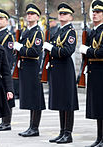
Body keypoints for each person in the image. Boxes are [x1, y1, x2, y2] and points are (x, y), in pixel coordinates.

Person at [42, 2, 78, 144]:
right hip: (57, 69)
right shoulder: (58, 31)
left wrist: (52, 48)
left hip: (65, 69)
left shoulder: (70, 32)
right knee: (61, 101)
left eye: (65, 14)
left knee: (67, 101)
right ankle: (62, 131)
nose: (62, 15)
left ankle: (68, 134)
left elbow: (67, 51)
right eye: (60, 13)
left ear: (71, 17)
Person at [13, 4, 45, 137]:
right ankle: (31, 126)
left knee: (35, 98)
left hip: (33, 66)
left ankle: (35, 127)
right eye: (28, 14)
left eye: (32, 14)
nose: (29, 16)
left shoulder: (37, 32)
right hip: (25, 67)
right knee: (30, 98)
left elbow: (34, 51)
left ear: (37, 17)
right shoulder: (26, 31)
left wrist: (20, 48)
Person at [79, 0, 103, 147]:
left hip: (101, 72)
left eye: (98, 12)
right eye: (93, 12)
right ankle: (99, 137)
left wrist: (87, 51)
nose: (94, 14)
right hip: (94, 72)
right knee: (98, 108)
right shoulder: (93, 31)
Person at [0, 9, 15, 131]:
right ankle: (3, 120)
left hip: (3, 68)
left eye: (1, 18)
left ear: (7, 21)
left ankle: (7, 122)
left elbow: (7, 55)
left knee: (7, 95)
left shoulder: (8, 35)